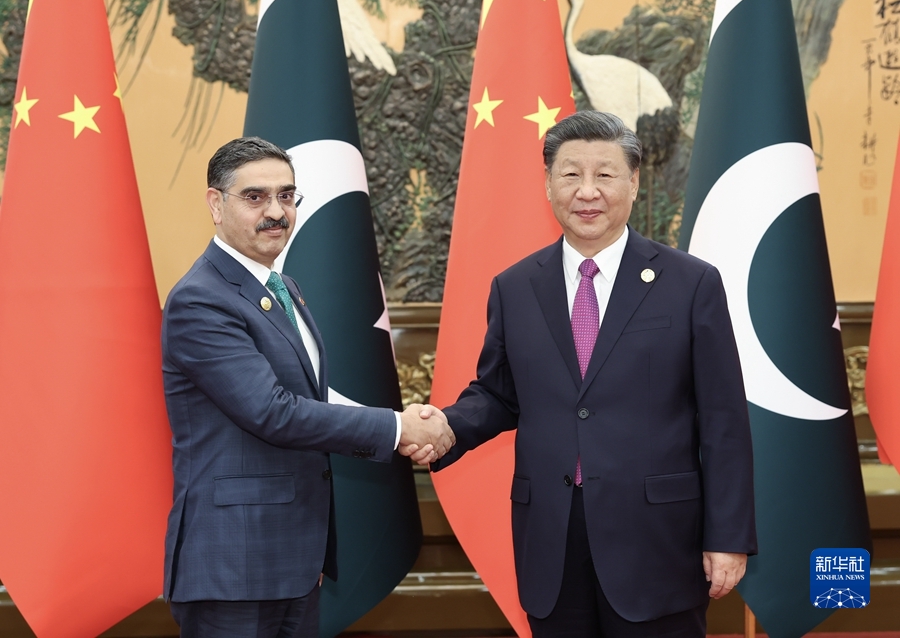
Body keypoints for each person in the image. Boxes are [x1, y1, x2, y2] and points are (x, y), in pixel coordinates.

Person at [427, 111, 757, 637]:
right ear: (548, 184)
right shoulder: (514, 287)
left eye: (605, 174)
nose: (587, 191)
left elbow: (724, 420)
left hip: (657, 539)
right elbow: (499, 394)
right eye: (570, 174)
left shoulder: (690, 283)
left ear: (634, 181)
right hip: (552, 538)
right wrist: (444, 427)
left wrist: (728, 537)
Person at [161, 136, 453, 638]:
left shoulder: (283, 288)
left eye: (286, 195)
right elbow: (272, 412)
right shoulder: (201, 300)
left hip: (292, 556)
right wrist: (396, 428)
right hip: (233, 564)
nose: (276, 211)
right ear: (216, 204)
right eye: (255, 197)